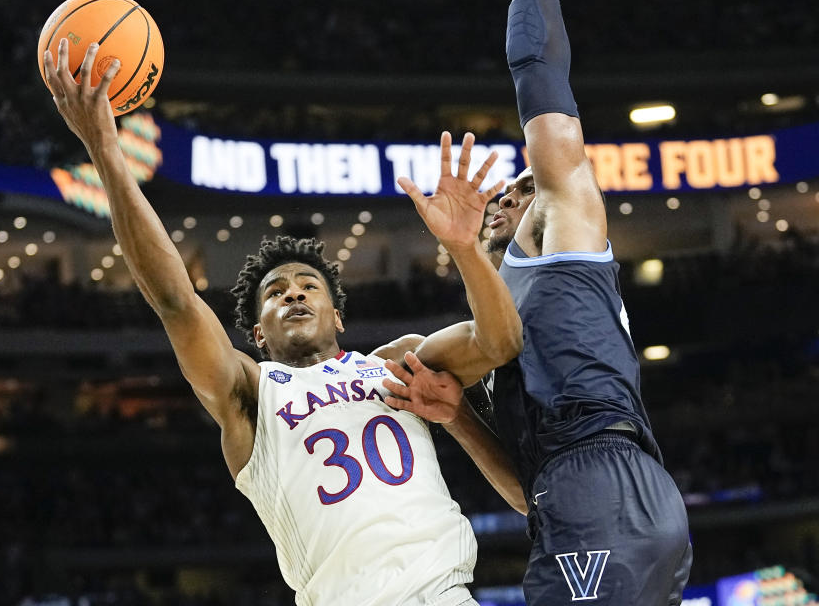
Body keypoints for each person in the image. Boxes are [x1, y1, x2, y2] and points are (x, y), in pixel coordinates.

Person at [43, 38, 524, 606]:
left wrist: (466, 248)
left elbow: (500, 341)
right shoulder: (250, 393)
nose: (293, 294)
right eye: (276, 293)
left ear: (338, 316)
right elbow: (174, 301)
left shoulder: (400, 364)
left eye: (308, 287)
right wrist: (105, 150)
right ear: (257, 334)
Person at [382, 0, 693, 604]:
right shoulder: (504, 308)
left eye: (512, 189)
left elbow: (540, 74)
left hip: (601, 484)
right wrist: (460, 419)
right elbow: (529, 493)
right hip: (586, 496)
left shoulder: (561, 222)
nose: (500, 201)